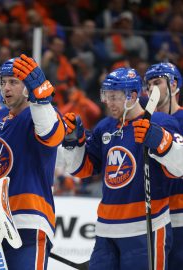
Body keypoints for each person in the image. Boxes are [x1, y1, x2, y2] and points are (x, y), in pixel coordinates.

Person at [58, 67, 181, 270]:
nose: (108, 102)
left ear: (132, 96)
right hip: (107, 230)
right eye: (106, 95)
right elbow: (84, 170)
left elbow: (179, 167)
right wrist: (74, 144)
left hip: (146, 228)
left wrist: (162, 141)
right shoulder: (105, 127)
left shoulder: (161, 122)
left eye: (114, 97)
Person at [0, 54, 65, 270]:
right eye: (3, 82)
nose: (6, 88)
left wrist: (41, 99)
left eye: (14, 82)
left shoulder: (40, 115)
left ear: (28, 87)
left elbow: (52, 135)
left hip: (29, 219)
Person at [143, 62, 183, 269]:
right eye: (148, 85)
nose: (151, 89)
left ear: (174, 85)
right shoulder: (144, 123)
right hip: (158, 218)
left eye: (157, 82)